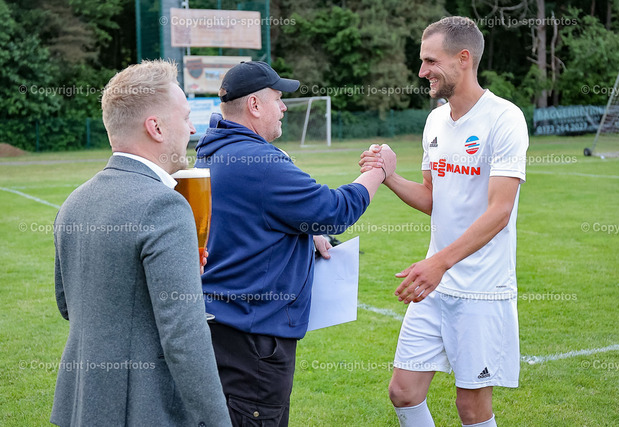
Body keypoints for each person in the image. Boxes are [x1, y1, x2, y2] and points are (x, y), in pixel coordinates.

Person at [193, 61, 396, 426]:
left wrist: (305, 228)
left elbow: (249, 216)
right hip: (254, 338)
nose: (284, 106)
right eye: (278, 98)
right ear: (255, 105)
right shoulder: (259, 161)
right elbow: (333, 210)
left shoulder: (212, 150)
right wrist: (378, 171)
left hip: (220, 327)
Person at [360, 16, 528, 427]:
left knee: (471, 407)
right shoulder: (435, 121)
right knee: (403, 391)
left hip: (481, 289)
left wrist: (439, 263)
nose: (422, 71)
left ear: (463, 59)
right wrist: (387, 175)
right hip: (435, 284)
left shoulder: (504, 118)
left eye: (431, 61)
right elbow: (433, 198)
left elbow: (500, 211)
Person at [51, 60, 231, 427]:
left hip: (82, 404)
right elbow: (185, 338)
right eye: (186, 118)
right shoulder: (164, 205)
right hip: (143, 408)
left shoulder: (74, 201)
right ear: (156, 127)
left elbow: (70, 305)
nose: (192, 128)